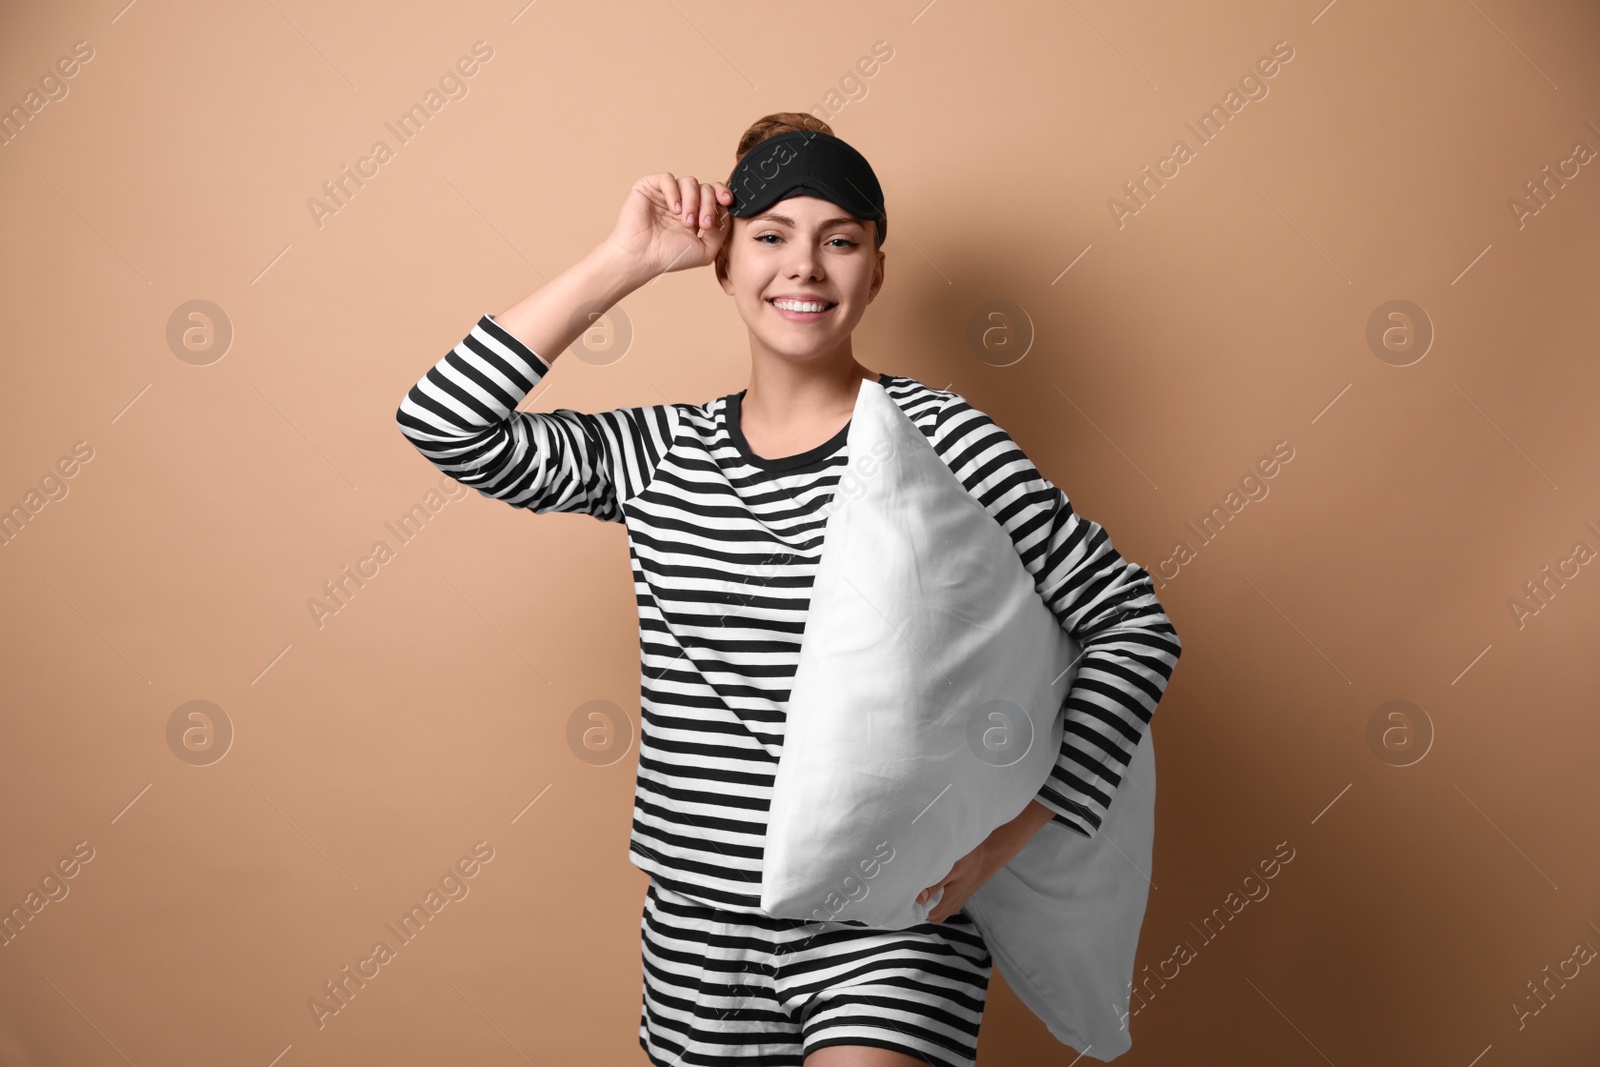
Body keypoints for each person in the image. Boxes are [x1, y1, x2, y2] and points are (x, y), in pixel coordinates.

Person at [395, 112, 1182, 1067]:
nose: (804, 267)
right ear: (723, 264)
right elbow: (445, 423)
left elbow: (1131, 621)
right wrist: (628, 257)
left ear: (876, 271)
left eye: (840, 241)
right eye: (770, 236)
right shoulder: (659, 452)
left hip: (891, 922)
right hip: (697, 932)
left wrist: (1016, 831)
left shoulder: (941, 440)